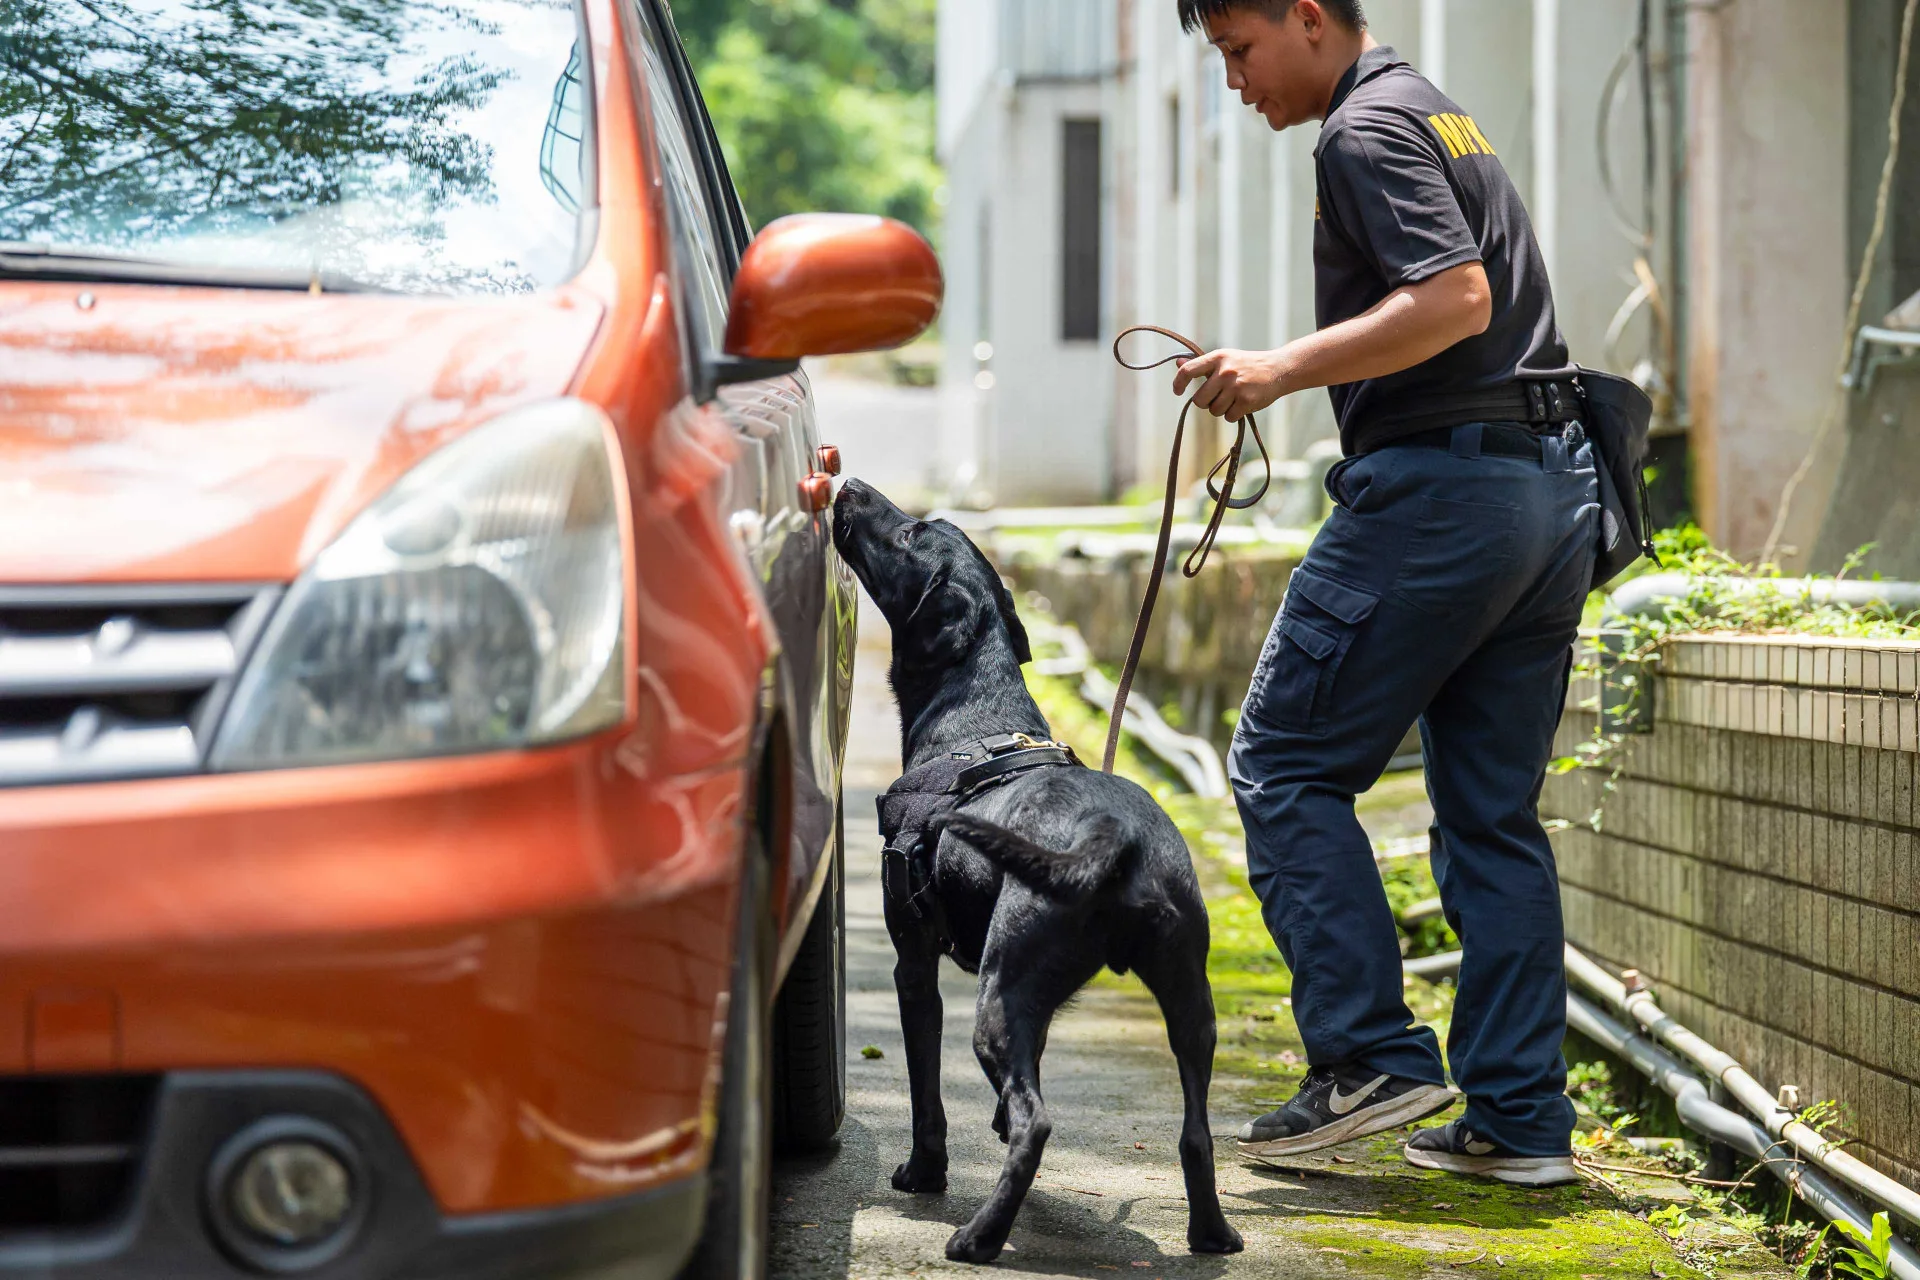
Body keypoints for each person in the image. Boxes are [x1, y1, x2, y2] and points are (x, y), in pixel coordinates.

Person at [1173, 0, 1594, 1187]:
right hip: (1544, 497)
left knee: (1284, 762)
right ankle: (1518, 1120)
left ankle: (1365, 1057)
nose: (1236, 80)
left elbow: (1455, 297)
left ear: (1310, 18)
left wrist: (1277, 369)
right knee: (1490, 814)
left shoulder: (1365, 129)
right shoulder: (1440, 113)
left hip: (1442, 499)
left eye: (1239, 49)